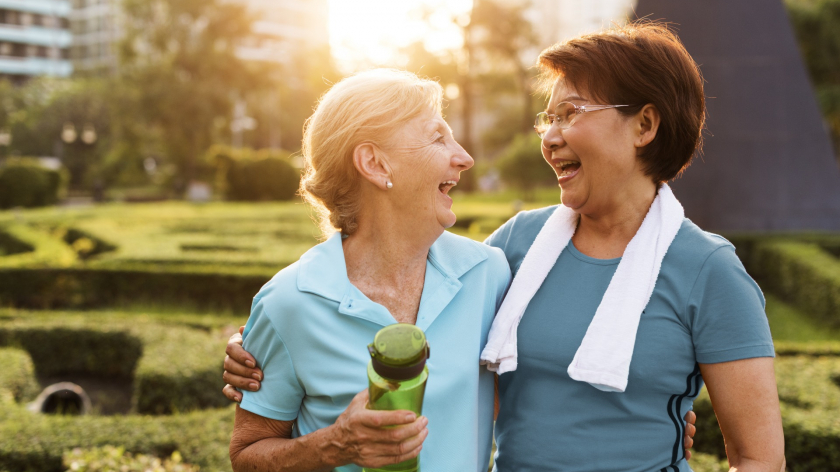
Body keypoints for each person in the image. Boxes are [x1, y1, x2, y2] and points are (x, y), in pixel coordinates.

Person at [224, 22, 732, 472]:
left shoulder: (490, 271)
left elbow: (560, 352)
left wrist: (652, 420)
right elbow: (247, 456)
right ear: (376, 165)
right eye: (437, 137)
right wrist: (332, 446)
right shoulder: (288, 302)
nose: (464, 158)